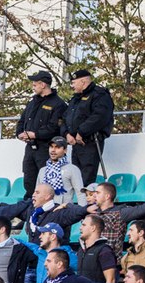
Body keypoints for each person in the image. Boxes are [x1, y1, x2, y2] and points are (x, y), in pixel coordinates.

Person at [15, 70, 67, 198]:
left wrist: (35, 134)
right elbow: (22, 121)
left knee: (47, 180)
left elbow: (54, 128)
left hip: (46, 148)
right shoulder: (32, 102)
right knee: (29, 179)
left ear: (43, 85)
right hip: (30, 148)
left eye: (35, 84)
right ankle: (29, 204)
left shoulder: (58, 104)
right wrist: (20, 133)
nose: (33, 87)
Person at [62, 68, 114, 188]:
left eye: (73, 83)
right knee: (76, 178)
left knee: (86, 178)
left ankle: (86, 199)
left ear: (83, 81)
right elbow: (65, 118)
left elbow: (99, 117)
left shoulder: (100, 95)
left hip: (90, 142)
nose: (72, 86)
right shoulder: (75, 99)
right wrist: (66, 134)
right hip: (76, 143)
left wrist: (81, 132)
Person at [0, 183, 88, 244]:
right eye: (34, 192)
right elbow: (15, 210)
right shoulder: (32, 212)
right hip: (33, 261)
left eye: (37, 192)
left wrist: (68, 205)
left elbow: (79, 212)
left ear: (47, 196)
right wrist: (1, 205)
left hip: (52, 261)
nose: (33, 195)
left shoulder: (59, 211)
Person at [38, 137, 85, 206]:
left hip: (64, 209)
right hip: (44, 209)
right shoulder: (42, 170)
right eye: (51, 147)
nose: (53, 150)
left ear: (65, 150)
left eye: (57, 147)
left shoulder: (72, 169)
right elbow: (37, 193)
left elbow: (80, 193)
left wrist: (82, 211)